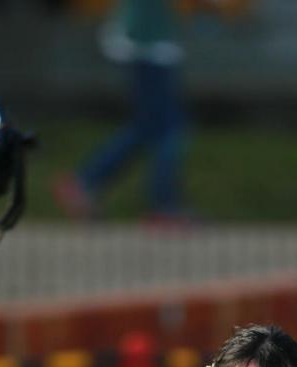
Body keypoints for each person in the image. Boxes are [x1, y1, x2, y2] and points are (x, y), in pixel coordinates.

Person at [53, 0, 206, 223]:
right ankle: (164, 204)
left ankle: (86, 182)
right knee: (169, 128)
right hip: (147, 44)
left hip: (148, 43)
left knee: (149, 127)